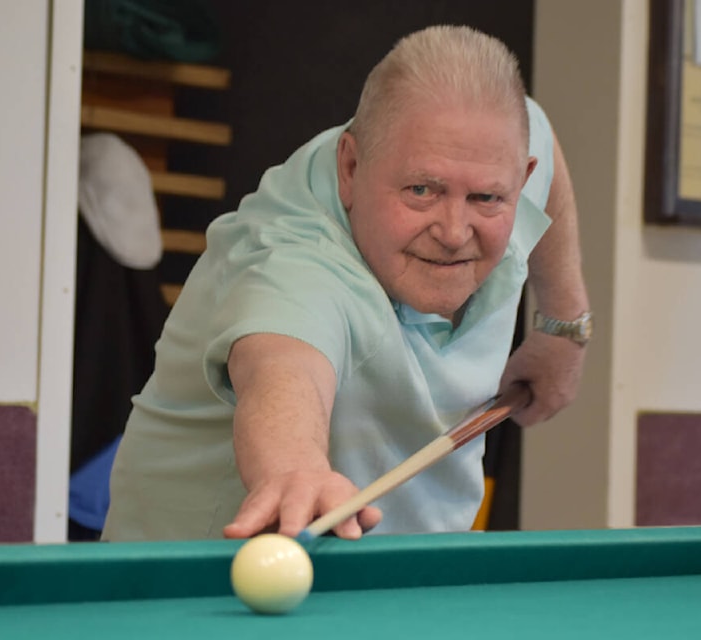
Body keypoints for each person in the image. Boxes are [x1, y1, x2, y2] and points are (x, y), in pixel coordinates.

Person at [102, 25, 590, 542]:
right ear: (350, 167)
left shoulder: (489, 145)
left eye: (487, 199)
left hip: (397, 578)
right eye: (422, 190)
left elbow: (539, 134)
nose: (453, 232)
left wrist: (564, 324)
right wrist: (293, 470)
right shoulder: (296, 260)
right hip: (190, 593)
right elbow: (283, 368)